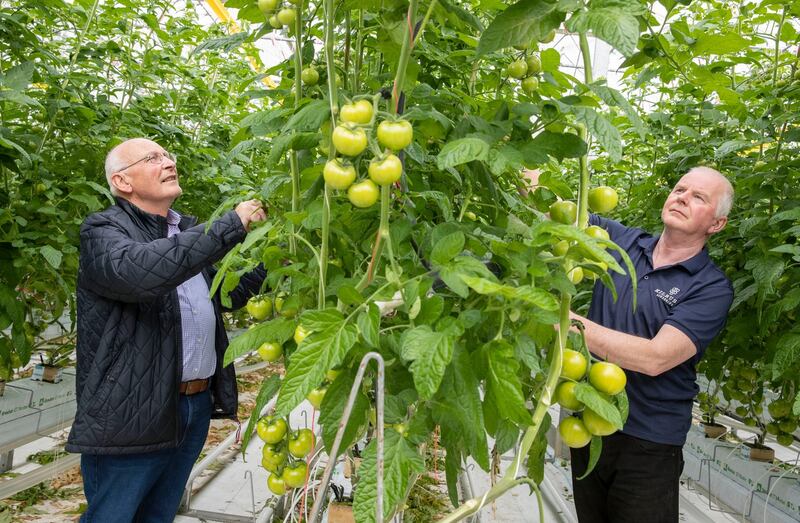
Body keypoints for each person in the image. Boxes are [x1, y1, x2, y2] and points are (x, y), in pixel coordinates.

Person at [66, 138, 268, 522]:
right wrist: (230, 225)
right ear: (123, 182)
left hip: (192, 405)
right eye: (153, 157)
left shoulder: (186, 232)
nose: (168, 161)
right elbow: (141, 273)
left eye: (168, 155)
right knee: (114, 515)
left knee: (159, 515)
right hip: (132, 411)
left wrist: (284, 254)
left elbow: (229, 293)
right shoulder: (103, 230)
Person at [567, 167, 735, 522]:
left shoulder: (711, 287)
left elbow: (655, 358)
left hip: (648, 442)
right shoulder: (619, 241)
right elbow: (557, 214)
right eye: (679, 189)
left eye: (698, 197)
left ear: (716, 224)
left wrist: (565, 321)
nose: (682, 198)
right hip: (589, 420)